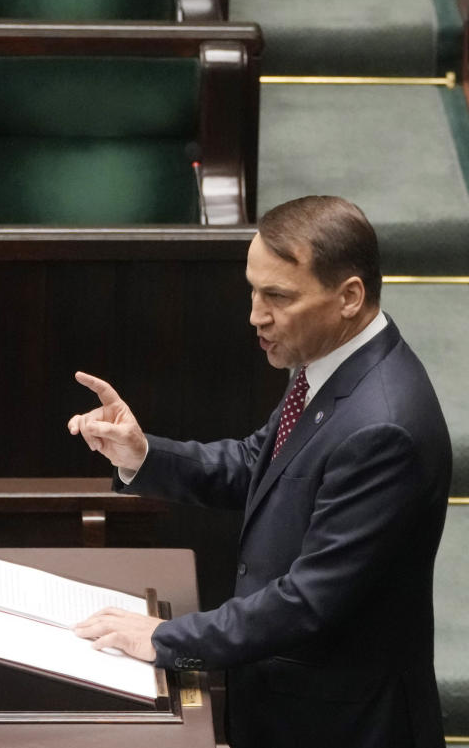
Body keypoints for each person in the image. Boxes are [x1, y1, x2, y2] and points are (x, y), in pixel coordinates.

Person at [67, 195, 451, 748]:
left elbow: (308, 600)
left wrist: (167, 639)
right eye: (254, 289)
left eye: (277, 296)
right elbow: (261, 463)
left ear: (349, 298)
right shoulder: (328, 364)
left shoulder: (383, 427)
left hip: (343, 727)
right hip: (286, 705)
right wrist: (143, 454)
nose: (255, 315)